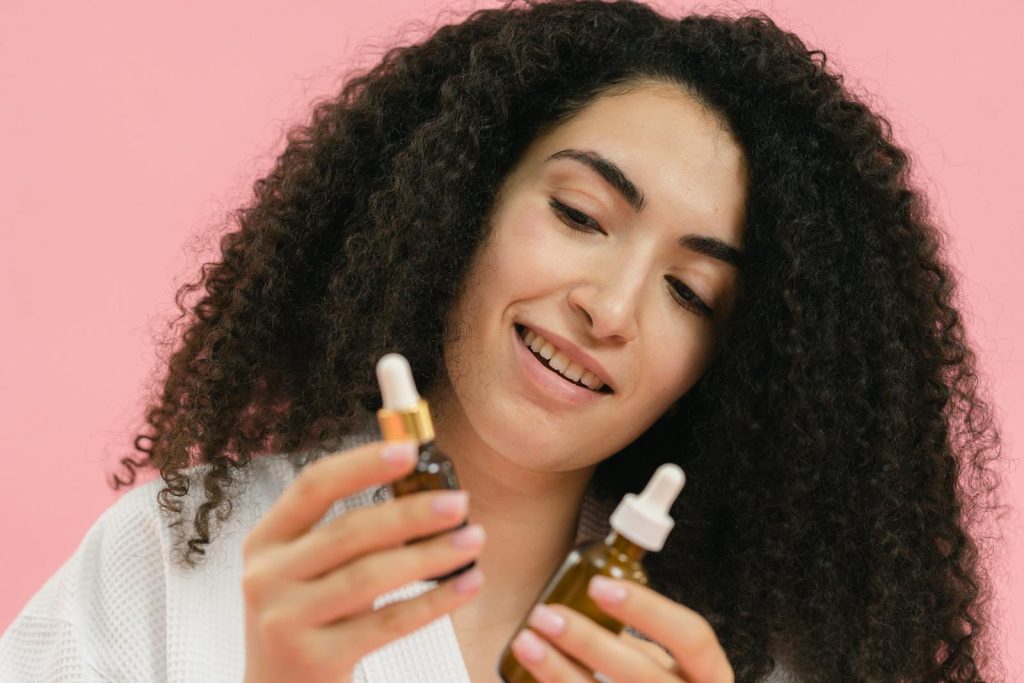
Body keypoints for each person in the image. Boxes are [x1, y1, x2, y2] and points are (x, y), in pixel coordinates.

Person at [0, 0, 1003, 680]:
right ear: (457, 203)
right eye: (578, 214)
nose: (609, 306)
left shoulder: (756, 656)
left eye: (691, 292)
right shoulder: (171, 560)